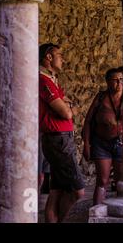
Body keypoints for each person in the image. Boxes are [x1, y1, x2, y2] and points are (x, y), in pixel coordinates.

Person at [39, 43, 85, 223]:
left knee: (56, 190)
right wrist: (70, 107)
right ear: (48, 57)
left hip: (59, 139)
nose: (63, 59)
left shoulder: (52, 79)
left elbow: (69, 103)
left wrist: (69, 105)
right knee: (78, 191)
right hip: (58, 140)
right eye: (60, 54)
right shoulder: (44, 81)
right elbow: (66, 112)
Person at [82, 67, 123, 206]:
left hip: (121, 143)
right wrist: (86, 144)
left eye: (121, 80)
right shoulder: (101, 98)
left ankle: (120, 214)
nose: (119, 83)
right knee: (102, 181)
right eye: (115, 80)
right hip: (101, 143)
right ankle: (96, 214)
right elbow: (88, 121)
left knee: (120, 182)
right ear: (107, 82)